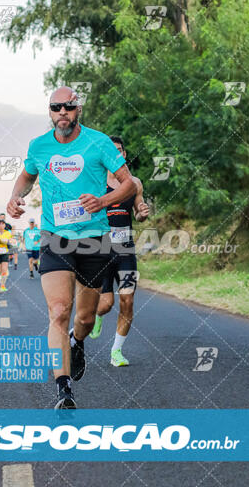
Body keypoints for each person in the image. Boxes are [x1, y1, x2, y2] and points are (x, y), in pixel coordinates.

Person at [7, 86, 136, 408]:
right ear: (49, 111)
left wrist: (103, 201)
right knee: (59, 310)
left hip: (94, 238)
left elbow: (129, 183)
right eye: (56, 107)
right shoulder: (39, 146)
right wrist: (15, 197)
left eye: (68, 107)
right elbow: (26, 177)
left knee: (86, 318)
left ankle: (78, 342)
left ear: (78, 110)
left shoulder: (98, 142)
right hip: (55, 236)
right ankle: (64, 389)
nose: (62, 112)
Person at [89, 136, 150, 367]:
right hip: (101, 251)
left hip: (125, 252)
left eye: (118, 151)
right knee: (105, 304)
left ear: (124, 155)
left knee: (127, 300)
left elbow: (139, 212)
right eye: (109, 151)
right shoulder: (94, 182)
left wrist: (142, 213)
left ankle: (116, 352)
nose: (114, 155)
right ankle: (95, 316)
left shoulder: (134, 183)